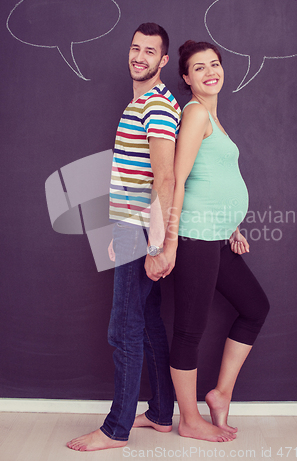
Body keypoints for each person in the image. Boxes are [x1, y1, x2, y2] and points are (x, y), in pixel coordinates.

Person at [67, 23, 181, 452]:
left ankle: (116, 429)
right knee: (148, 322)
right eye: (135, 48)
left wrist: (152, 244)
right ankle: (160, 413)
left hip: (140, 230)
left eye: (150, 51)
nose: (140, 56)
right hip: (130, 225)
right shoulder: (141, 102)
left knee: (124, 329)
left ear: (163, 61)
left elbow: (165, 178)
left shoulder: (155, 106)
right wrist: (124, 227)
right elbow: (140, 176)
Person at [163, 40, 270, 443]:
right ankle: (189, 420)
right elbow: (177, 176)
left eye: (215, 64)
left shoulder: (212, 115)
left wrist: (232, 225)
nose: (210, 71)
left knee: (255, 307)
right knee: (190, 331)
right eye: (199, 67)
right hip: (193, 236)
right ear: (187, 79)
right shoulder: (193, 113)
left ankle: (220, 394)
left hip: (216, 237)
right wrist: (170, 241)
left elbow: (213, 179)